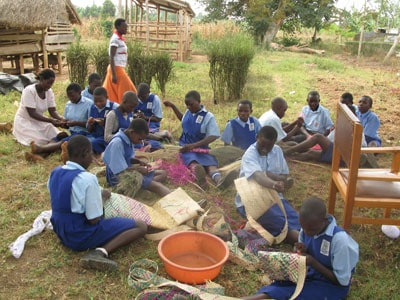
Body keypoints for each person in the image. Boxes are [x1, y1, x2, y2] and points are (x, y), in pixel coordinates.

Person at [48, 135, 147, 271]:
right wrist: (103, 198)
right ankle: (99, 253)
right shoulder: (88, 179)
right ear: (85, 154)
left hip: (60, 230)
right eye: (92, 153)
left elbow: (66, 200)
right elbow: (93, 219)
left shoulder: (55, 172)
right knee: (141, 226)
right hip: (79, 235)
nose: (93, 158)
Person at [244, 197, 359, 300]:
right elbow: (304, 253)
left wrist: (312, 262)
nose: (307, 233)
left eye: (311, 230)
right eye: (303, 228)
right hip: (310, 273)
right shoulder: (307, 229)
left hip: (331, 285)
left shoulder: (339, 240)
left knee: (297, 293)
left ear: (324, 221)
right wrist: (300, 250)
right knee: (281, 283)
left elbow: (341, 281)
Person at [235, 126, 299, 245]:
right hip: (253, 201)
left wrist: (274, 177)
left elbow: (284, 175)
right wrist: (274, 184)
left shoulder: (277, 150)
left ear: (274, 143)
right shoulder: (250, 154)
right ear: (257, 137)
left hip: (275, 198)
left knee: (295, 218)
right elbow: (258, 177)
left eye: (268, 147)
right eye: (262, 145)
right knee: (280, 224)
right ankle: (301, 241)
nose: (264, 150)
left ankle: (305, 237)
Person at [164, 90, 222, 187]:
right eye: (187, 105)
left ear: (199, 101)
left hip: (201, 148)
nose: (189, 107)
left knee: (210, 164)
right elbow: (183, 120)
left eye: (191, 104)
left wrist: (194, 145)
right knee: (192, 162)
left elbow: (213, 135)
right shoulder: (188, 112)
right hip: (185, 147)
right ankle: (201, 178)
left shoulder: (208, 116)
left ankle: (219, 180)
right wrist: (173, 106)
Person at [103, 118, 171, 197]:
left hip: (129, 172)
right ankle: (177, 203)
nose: (140, 142)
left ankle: (140, 187)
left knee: (163, 173)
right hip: (119, 178)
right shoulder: (117, 143)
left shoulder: (128, 139)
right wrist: (138, 169)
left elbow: (125, 158)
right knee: (158, 187)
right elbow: (119, 171)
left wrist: (138, 162)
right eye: (139, 139)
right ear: (132, 132)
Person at [28, 83, 93, 158]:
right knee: (57, 137)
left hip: (84, 134)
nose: (70, 98)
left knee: (64, 141)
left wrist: (77, 123)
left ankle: (40, 149)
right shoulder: (68, 105)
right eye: (68, 96)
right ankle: (41, 156)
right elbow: (67, 122)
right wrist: (64, 124)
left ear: (79, 92)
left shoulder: (89, 104)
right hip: (72, 132)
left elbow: (91, 124)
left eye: (72, 96)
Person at [13, 69, 67, 146]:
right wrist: (51, 120)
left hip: (39, 120)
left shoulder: (49, 92)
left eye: (52, 83)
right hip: (25, 120)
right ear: (41, 79)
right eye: (48, 83)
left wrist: (61, 119)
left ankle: (54, 143)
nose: (50, 86)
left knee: (56, 133)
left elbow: (52, 111)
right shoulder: (29, 91)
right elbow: (32, 113)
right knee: (39, 140)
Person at [103, 18, 137, 104]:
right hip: (116, 69)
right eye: (124, 27)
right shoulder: (115, 39)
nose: (126, 29)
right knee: (129, 90)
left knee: (114, 93)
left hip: (118, 68)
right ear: (117, 27)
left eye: (126, 27)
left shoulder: (119, 38)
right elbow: (112, 56)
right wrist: (114, 74)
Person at [133, 83, 172, 151]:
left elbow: (158, 118)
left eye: (143, 97)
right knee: (135, 137)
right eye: (139, 96)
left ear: (148, 93)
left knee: (147, 137)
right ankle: (161, 135)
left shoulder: (154, 99)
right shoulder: (135, 98)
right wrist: (136, 116)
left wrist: (145, 118)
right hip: (138, 125)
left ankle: (162, 135)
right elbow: (131, 113)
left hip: (151, 124)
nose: (141, 99)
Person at [87, 87, 119, 154]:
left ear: (107, 98)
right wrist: (90, 123)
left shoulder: (114, 107)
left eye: (101, 101)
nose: (98, 104)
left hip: (108, 136)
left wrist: (105, 123)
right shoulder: (92, 107)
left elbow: (119, 124)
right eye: (95, 101)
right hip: (95, 135)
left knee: (93, 143)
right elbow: (89, 129)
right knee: (81, 140)